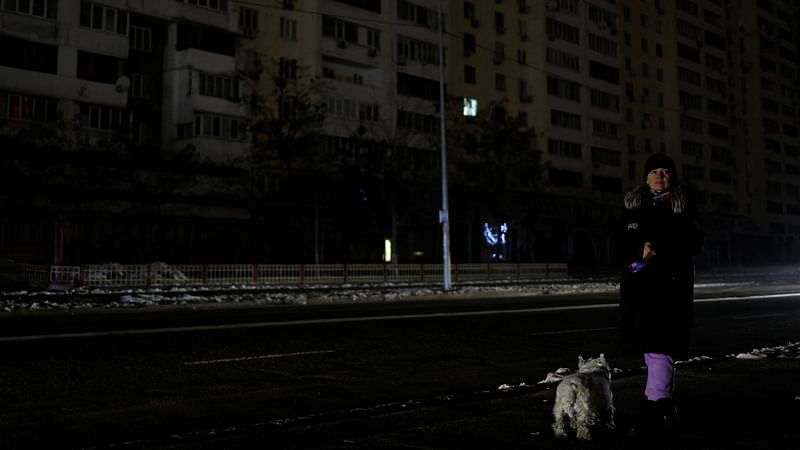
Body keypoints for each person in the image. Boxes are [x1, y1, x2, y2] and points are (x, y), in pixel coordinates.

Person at [618, 152, 704, 437]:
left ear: (672, 178)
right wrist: (637, 257)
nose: (659, 176)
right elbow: (617, 240)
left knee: (661, 346)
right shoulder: (633, 207)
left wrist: (658, 249)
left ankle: (658, 403)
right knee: (651, 347)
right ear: (645, 177)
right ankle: (657, 402)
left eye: (665, 172)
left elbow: (693, 241)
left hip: (670, 288)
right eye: (654, 171)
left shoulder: (683, 207)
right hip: (640, 288)